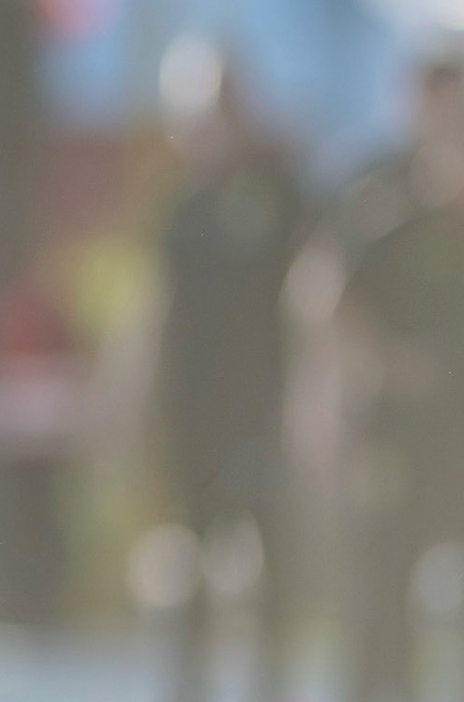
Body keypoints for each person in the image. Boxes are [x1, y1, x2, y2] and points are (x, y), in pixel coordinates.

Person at [153, 38, 303, 702]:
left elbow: (306, 301)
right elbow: (161, 313)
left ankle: (269, 685)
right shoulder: (183, 210)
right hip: (195, 411)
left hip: (264, 405)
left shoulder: (281, 196)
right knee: (194, 558)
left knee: (270, 563)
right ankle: (190, 686)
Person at [337, 58, 464, 702]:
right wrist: (389, 363)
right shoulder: (383, 198)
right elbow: (330, 300)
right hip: (396, 428)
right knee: (386, 579)